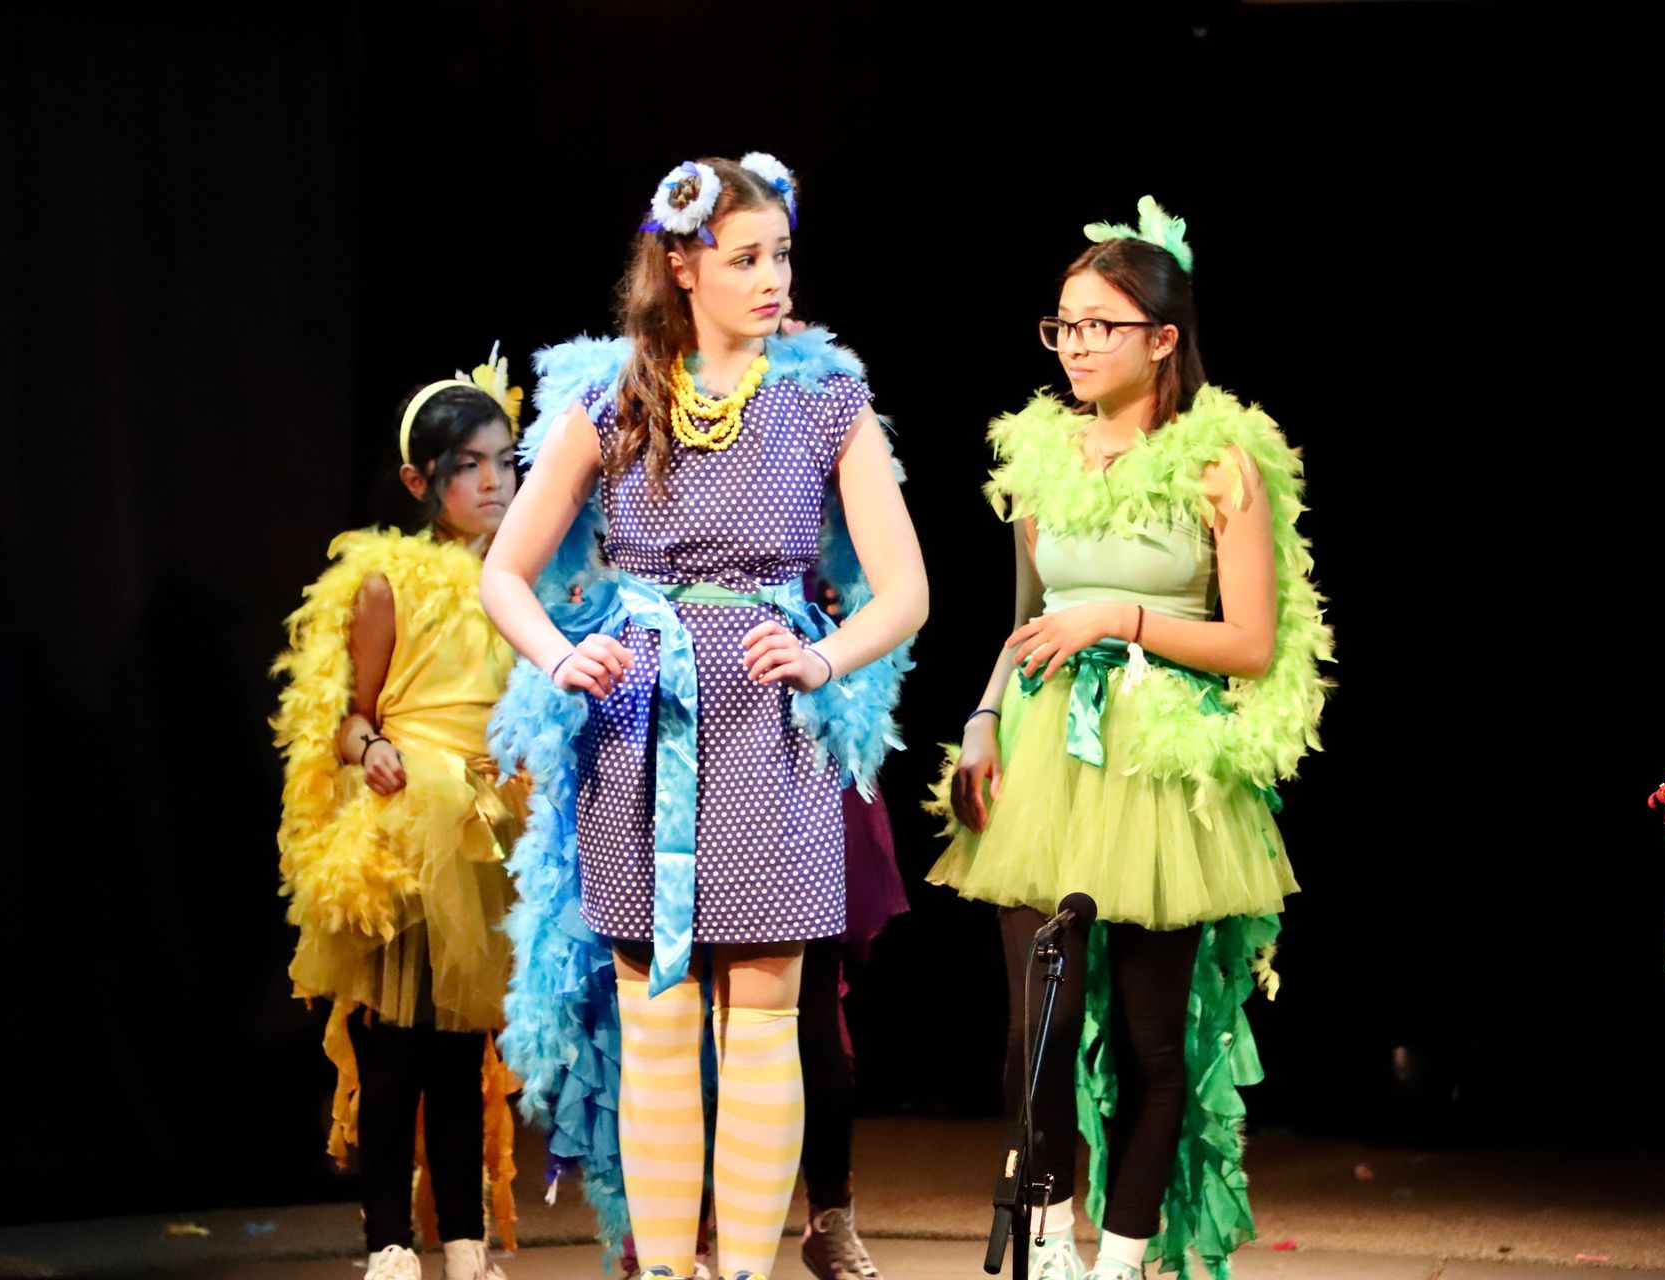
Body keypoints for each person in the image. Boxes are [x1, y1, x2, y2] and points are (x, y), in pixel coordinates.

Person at [481, 153, 927, 1280]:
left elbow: (907, 586)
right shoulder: (611, 397)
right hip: (640, 726)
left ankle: (744, 1272)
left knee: (767, 1013)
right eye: (745, 258)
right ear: (681, 266)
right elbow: (506, 572)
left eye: (781, 253)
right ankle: (670, 1267)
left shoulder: (826, 402)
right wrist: (560, 651)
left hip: (769, 733)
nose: (773, 276)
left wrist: (825, 655)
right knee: (659, 1014)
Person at [926, 198, 1332, 1280]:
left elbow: (1250, 641)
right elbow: (1021, 624)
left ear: (1163, 337)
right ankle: (1050, 1239)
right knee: (1038, 1029)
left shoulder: (1223, 462)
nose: (1077, 345)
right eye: (1064, 324)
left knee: (1153, 1038)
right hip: (1046, 747)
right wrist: (977, 722)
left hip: (1161, 760)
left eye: (1102, 324)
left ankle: (1126, 1253)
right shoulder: (1039, 456)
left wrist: (1123, 617)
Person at [272, 353, 530, 1280]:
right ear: (423, 480)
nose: (494, 481)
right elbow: (350, 712)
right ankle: (388, 1241)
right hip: (409, 823)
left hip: (488, 826)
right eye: (469, 464)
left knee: (463, 1054)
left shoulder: (530, 577)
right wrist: (367, 748)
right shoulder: (391, 583)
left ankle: (463, 1240)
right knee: (395, 1057)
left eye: (504, 458)